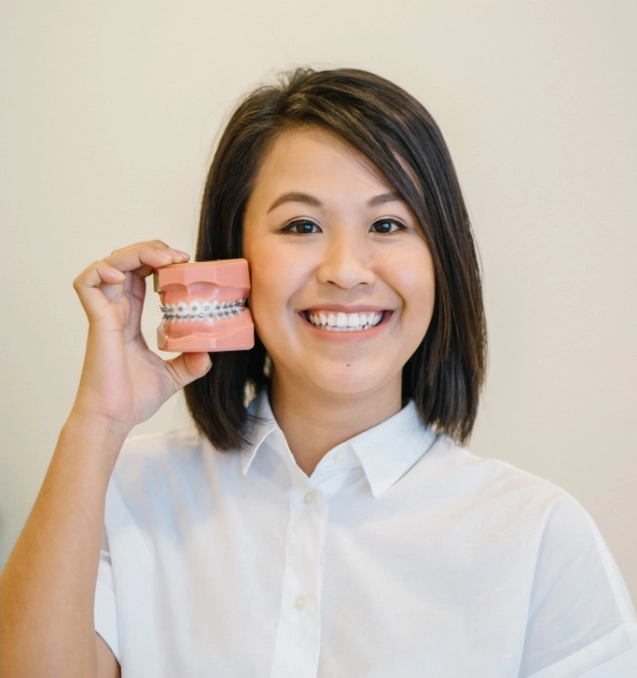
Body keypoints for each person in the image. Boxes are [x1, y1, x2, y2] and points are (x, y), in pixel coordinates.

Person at [1, 68, 635, 678]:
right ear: (234, 259)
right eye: (301, 225)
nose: (347, 270)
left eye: (388, 224)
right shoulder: (127, 492)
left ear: (442, 258)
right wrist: (98, 422)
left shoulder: (537, 535)